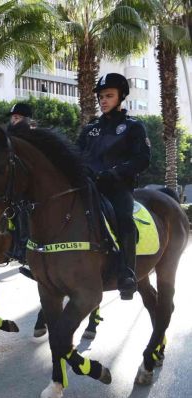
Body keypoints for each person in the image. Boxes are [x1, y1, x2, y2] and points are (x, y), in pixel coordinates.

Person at [77, 73, 151, 300]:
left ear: (121, 97)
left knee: (124, 219)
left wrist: (115, 172)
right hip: (89, 186)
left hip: (118, 187)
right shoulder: (91, 129)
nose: (103, 101)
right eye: (101, 97)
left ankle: (127, 273)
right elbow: (75, 155)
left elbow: (142, 159)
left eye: (109, 96)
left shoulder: (133, 127)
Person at [6, 103, 33, 274]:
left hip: (31, 185)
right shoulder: (8, 138)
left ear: (26, 119)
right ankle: (14, 247)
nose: (14, 119)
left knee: (23, 212)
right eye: (13, 117)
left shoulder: (31, 136)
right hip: (13, 185)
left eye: (18, 117)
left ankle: (24, 250)